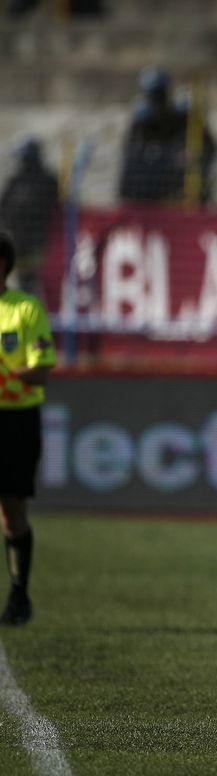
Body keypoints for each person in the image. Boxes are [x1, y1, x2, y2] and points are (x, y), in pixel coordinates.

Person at [0, 231, 56, 625]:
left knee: (11, 511)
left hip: (16, 420)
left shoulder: (25, 309)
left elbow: (41, 371)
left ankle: (20, 596)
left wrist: (11, 378)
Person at [118, 67, 216, 204]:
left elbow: (210, 151)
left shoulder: (181, 120)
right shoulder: (145, 117)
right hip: (147, 186)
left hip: (177, 187)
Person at [0, 138, 58, 296]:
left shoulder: (42, 181)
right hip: (25, 246)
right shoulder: (19, 181)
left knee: (34, 287)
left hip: (38, 248)